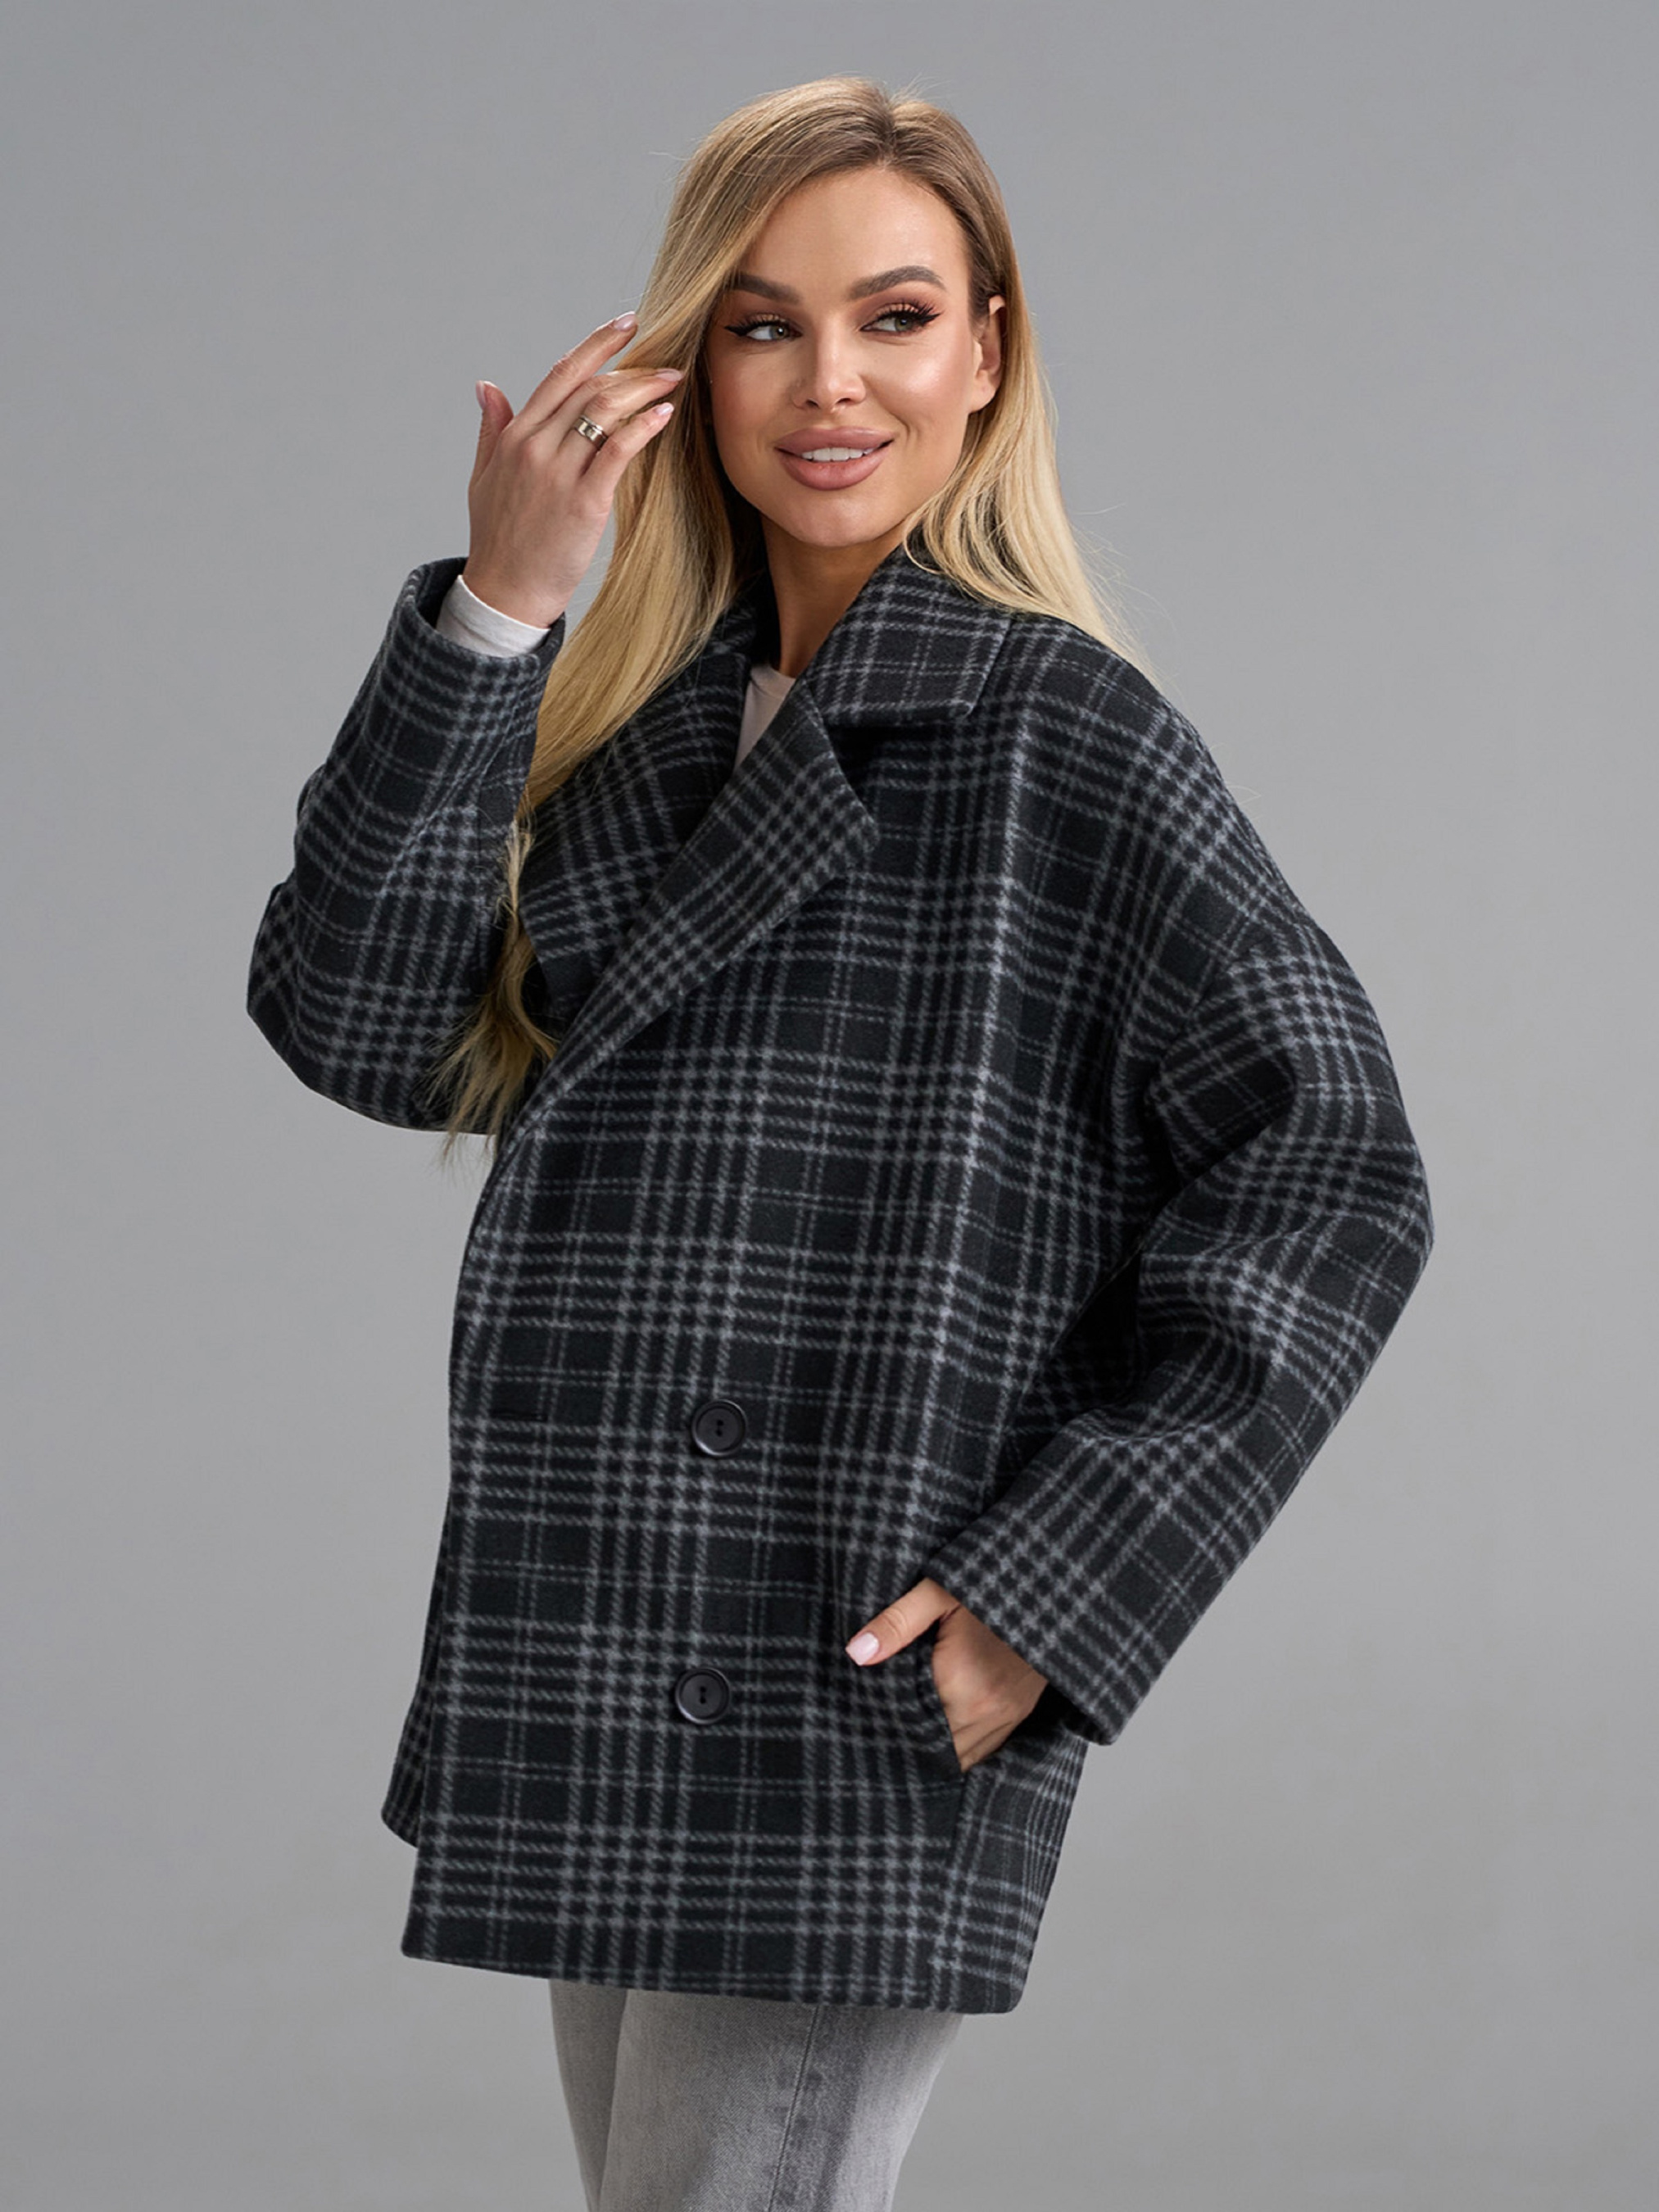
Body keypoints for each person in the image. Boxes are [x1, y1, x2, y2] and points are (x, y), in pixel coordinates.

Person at [246, 75, 1434, 2212]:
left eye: (894, 318)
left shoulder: (1064, 734)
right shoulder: (636, 729)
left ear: (986, 352)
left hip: (832, 1657)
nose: (829, 385)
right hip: (614, 1628)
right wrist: (499, 611)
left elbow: (1337, 1166)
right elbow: (359, 1025)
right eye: (764, 325)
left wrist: (1052, 1596)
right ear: (688, 367)